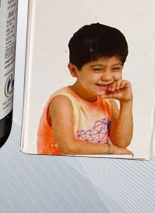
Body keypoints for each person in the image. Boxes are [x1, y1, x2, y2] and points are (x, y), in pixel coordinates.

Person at [38, 23, 134, 156]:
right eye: (97, 69)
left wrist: (126, 102)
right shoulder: (62, 102)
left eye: (116, 68)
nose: (107, 77)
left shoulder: (108, 102)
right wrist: (111, 150)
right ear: (73, 70)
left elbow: (121, 142)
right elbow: (68, 147)